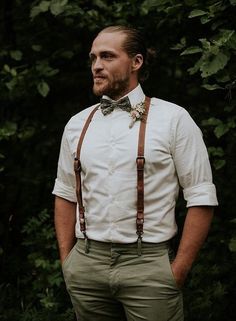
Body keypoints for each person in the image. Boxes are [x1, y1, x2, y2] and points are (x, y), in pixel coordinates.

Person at [53, 25, 218, 321]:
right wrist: (69, 263)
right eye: (93, 58)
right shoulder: (77, 124)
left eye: (107, 56)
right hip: (87, 265)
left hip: (149, 264)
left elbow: (201, 197)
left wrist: (176, 272)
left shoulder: (174, 119)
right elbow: (65, 193)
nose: (97, 66)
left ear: (136, 62)